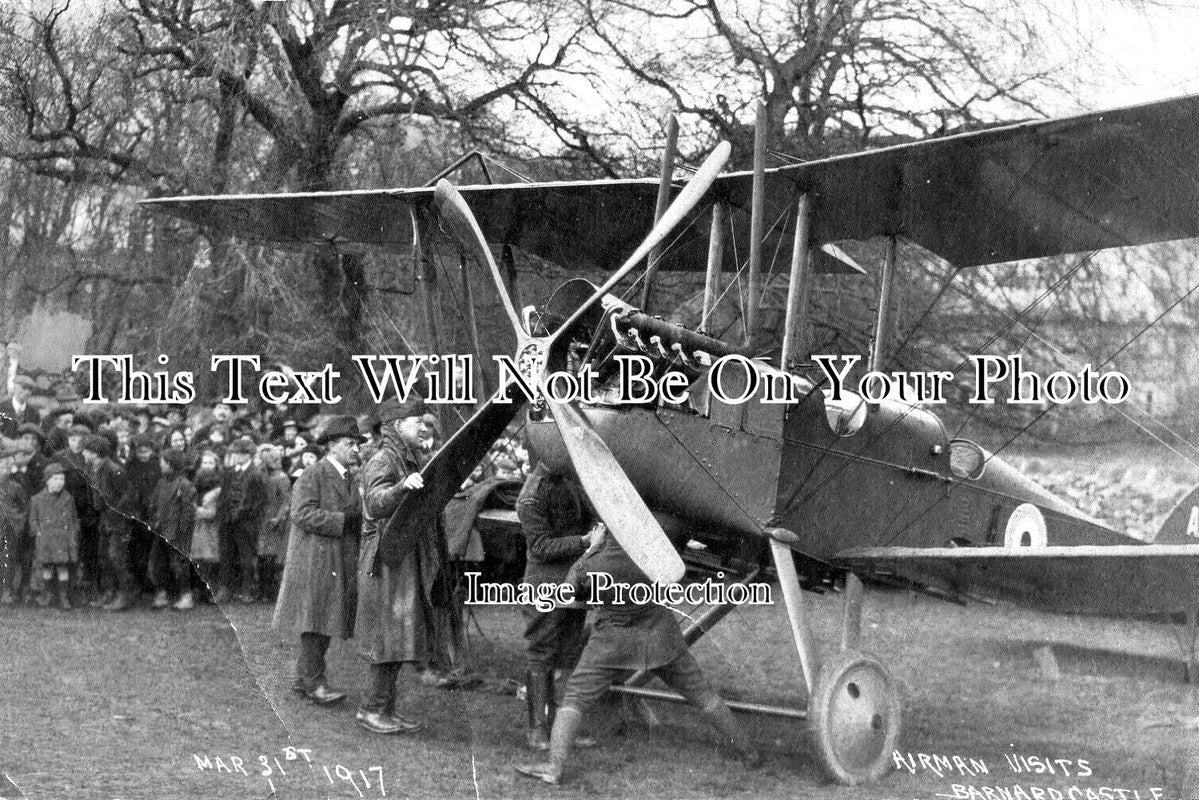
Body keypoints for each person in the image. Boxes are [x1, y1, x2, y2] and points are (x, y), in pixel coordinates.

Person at [515, 533, 761, 785]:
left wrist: (590, 549)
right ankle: (749, 753)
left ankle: (554, 767)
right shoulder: (652, 553)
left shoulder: (594, 562)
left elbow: (569, 589)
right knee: (704, 696)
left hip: (611, 642)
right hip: (660, 637)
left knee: (575, 699)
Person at [354, 396, 451, 735]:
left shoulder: (408, 457)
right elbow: (375, 503)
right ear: (397, 426)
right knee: (389, 638)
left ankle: (385, 709)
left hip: (401, 558)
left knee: (399, 637)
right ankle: (371, 709)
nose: (423, 427)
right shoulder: (383, 459)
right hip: (386, 561)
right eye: (416, 422)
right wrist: (401, 488)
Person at [272, 415, 365, 708]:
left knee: (324, 618)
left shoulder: (349, 477)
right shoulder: (314, 474)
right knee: (317, 619)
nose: (356, 449)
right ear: (332, 445)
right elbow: (300, 513)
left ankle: (305, 679)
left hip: (336, 557)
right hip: (315, 559)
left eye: (357, 444)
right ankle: (314, 682)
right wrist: (343, 519)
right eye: (350, 443)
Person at [515, 462, 601, 750]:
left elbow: (588, 516)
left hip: (573, 582)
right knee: (541, 653)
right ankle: (538, 730)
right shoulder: (531, 496)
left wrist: (595, 529)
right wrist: (585, 541)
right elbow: (540, 547)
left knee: (568, 654)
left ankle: (562, 730)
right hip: (545, 585)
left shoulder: (568, 481)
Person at [79, 435, 132, 610]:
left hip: (118, 522)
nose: (83, 454)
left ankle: (124, 595)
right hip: (104, 520)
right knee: (104, 557)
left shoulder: (114, 470)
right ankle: (109, 592)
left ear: (94, 453)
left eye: (86, 451)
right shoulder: (94, 468)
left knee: (116, 557)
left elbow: (127, 497)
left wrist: (115, 515)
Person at [215, 436, 267, 603]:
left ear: (248, 455)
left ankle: (247, 590)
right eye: (235, 453)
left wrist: (247, 516)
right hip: (227, 521)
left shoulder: (256, 474)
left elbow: (260, 502)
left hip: (246, 523)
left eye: (239, 453)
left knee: (246, 557)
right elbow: (223, 495)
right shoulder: (229, 472)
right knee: (225, 555)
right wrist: (222, 515)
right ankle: (225, 589)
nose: (235, 456)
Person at [147, 449, 197, 610]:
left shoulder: (185, 484)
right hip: (161, 529)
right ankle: (162, 594)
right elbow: (154, 504)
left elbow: (189, 511)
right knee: (157, 563)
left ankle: (186, 596)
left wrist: (181, 530)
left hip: (177, 532)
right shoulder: (161, 482)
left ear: (172, 464)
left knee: (179, 564)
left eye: (164, 461)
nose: (161, 464)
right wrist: (154, 521)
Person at [29, 462, 79, 610]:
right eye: (55, 479)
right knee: (47, 568)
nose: (59, 482)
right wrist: (38, 532)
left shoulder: (68, 499)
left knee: (63, 568)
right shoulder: (37, 499)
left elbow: (73, 519)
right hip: (46, 539)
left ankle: (63, 597)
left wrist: (73, 536)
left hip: (63, 539)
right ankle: (47, 595)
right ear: (47, 480)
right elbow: (33, 520)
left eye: (62, 479)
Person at [0, 441, 30, 605]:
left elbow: (24, 507)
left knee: (8, 559)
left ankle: (7, 591)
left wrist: (17, 524)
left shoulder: (15, 487)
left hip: (10, 529)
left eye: (6, 467)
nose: (3, 470)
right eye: (1, 466)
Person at [1, 374, 39, 439]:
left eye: (30, 389)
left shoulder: (34, 413)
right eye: (24, 388)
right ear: (14, 388)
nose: (27, 392)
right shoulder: (1, 407)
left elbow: (34, 435)